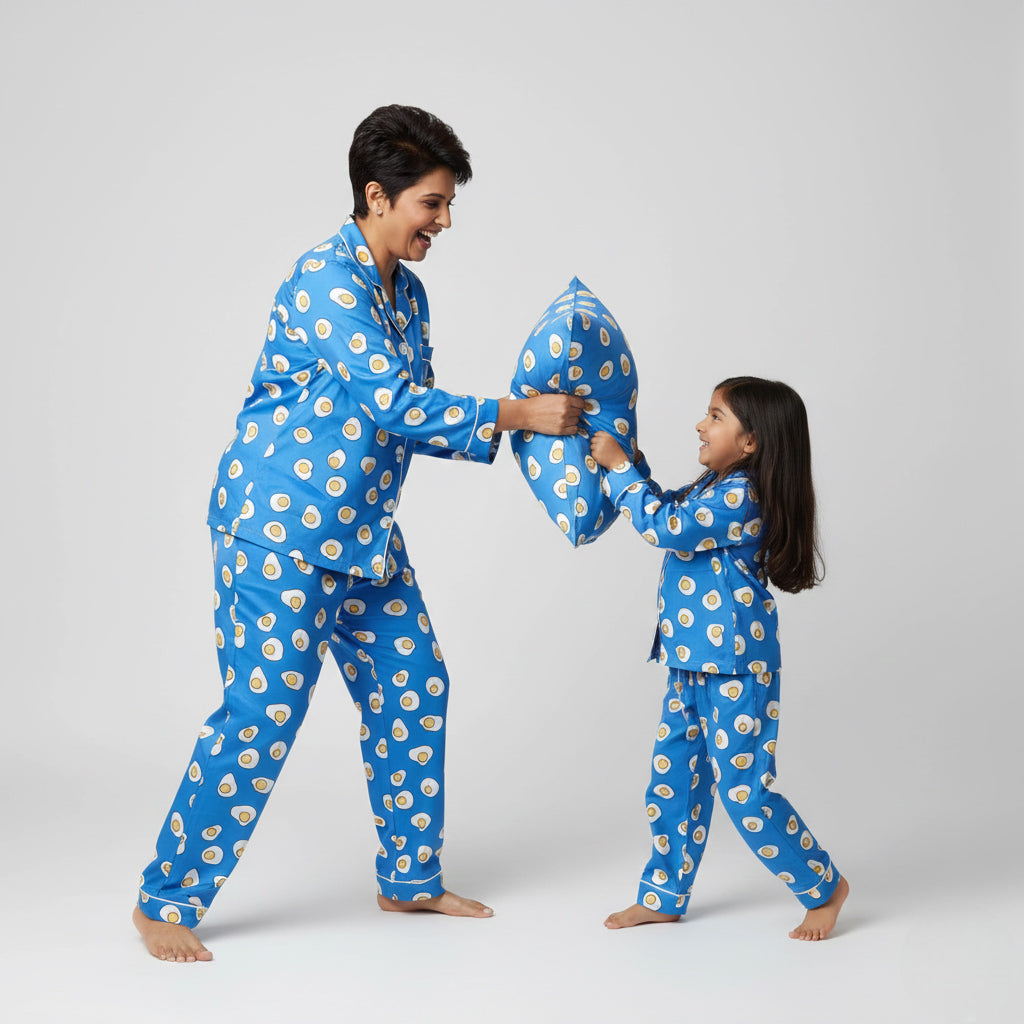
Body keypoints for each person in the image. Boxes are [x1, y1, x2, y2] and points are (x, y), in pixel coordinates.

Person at [133, 104, 584, 962]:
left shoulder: (408, 294)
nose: (445, 223)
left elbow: (413, 421)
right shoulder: (323, 282)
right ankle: (165, 899)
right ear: (376, 197)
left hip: (362, 537)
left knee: (417, 683)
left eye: (448, 206)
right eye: (432, 205)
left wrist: (536, 427)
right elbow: (395, 404)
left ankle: (409, 880)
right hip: (276, 534)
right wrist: (517, 412)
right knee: (261, 714)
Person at [589, 376, 848, 940]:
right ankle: (663, 894)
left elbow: (666, 527)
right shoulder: (716, 484)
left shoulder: (743, 494)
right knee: (673, 782)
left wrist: (617, 469)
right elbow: (670, 510)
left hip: (736, 667)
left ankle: (823, 887)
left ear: (750, 442)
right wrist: (635, 464)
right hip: (689, 661)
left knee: (744, 792)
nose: (700, 425)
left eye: (714, 416)